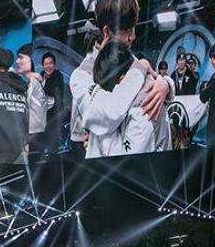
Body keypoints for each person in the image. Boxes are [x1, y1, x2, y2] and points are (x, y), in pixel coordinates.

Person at [69, 0, 174, 158]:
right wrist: (140, 69)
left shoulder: (131, 61)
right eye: (126, 30)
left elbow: (159, 85)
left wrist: (166, 84)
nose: (133, 36)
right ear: (106, 32)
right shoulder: (81, 76)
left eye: (134, 27)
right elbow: (108, 114)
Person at [85, 41, 161, 158]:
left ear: (123, 80)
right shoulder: (136, 99)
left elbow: (126, 163)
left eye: (108, 90)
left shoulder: (143, 111)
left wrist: (99, 134)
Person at [68, 29, 104, 159]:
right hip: (84, 140)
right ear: (97, 44)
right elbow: (90, 109)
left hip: (90, 138)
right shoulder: (85, 71)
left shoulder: (95, 68)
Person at [16, 43, 47, 155]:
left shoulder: (36, 83)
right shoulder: (32, 82)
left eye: (21, 57)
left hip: (35, 137)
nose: (17, 61)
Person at [40, 51, 65, 154]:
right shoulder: (41, 75)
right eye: (46, 64)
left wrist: (42, 88)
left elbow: (53, 90)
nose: (48, 66)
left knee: (53, 142)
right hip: (43, 113)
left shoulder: (58, 75)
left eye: (50, 63)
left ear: (54, 64)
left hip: (55, 113)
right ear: (43, 65)